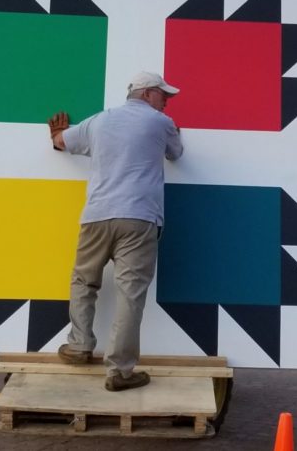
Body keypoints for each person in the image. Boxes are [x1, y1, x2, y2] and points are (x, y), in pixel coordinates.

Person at [47, 71, 184, 391]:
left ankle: (79, 345)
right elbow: (176, 153)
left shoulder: (99, 121)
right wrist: (173, 134)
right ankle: (120, 371)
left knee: (83, 280)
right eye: (164, 95)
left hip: (96, 216)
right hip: (139, 218)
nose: (167, 101)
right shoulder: (160, 122)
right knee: (130, 294)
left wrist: (57, 135)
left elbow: (61, 141)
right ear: (148, 94)